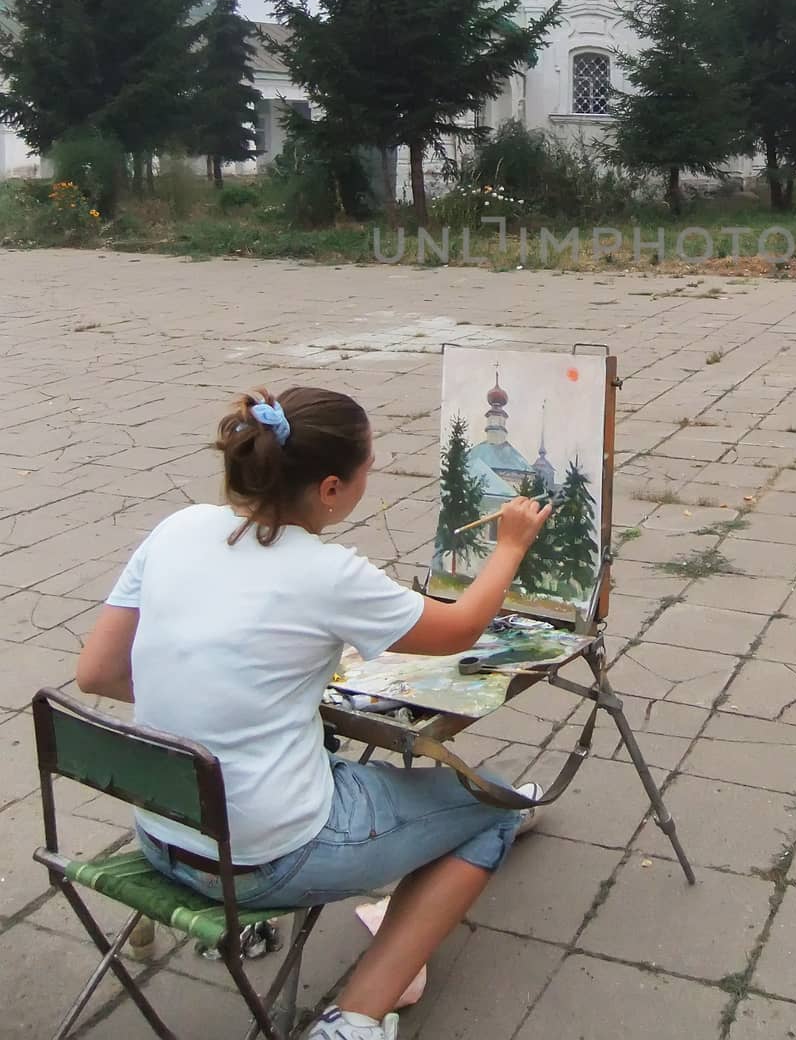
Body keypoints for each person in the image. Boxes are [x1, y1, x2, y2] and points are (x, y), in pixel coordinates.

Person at [76, 386, 553, 1040]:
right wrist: (510, 545)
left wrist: (229, 702)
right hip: (261, 855)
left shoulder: (176, 528)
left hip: (162, 834)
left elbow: (97, 673)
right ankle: (353, 1018)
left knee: (367, 777)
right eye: (368, 467)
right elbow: (463, 627)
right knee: (491, 809)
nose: (373, 472)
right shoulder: (325, 573)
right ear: (330, 489)